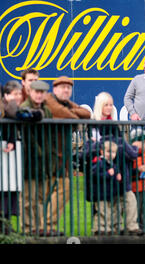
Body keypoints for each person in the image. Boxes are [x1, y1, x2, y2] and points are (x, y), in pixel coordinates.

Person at [42, 76, 91, 234]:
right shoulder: (48, 99)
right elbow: (61, 113)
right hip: (46, 155)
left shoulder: (67, 104)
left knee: (64, 189)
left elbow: (86, 113)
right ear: (54, 89)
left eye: (68, 88)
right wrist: (71, 114)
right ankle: (40, 226)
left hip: (61, 157)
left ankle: (48, 225)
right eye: (62, 87)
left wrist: (70, 112)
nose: (66, 90)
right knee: (43, 193)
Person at [89, 92, 142, 235]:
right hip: (102, 167)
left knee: (122, 200)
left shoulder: (113, 123)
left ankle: (125, 227)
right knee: (104, 202)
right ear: (100, 105)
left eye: (111, 104)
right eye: (106, 104)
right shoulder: (94, 123)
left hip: (118, 166)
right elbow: (95, 146)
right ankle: (103, 228)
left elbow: (118, 143)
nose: (109, 107)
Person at [19, 80, 57, 236]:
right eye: (37, 92)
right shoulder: (23, 109)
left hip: (44, 162)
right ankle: (27, 228)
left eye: (42, 93)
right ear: (30, 92)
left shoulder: (46, 110)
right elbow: (27, 136)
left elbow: (50, 136)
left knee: (41, 198)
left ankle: (38, 227)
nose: (40, 95)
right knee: (28, 198)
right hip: (28, 160)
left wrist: (50, 159)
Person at [90, 140, 123, 235]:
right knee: (101, 211)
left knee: (109, 211)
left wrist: (118, 175)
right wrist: (107, 174)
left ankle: (107, 228)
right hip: (100, 193)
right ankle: (99, 228)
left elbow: (115, 173)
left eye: (113, 152)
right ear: (102, 152)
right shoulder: (99, 163)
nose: (111, 154)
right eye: (108, 151)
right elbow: (94, 174)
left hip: (109, 193)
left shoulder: (112, 164)